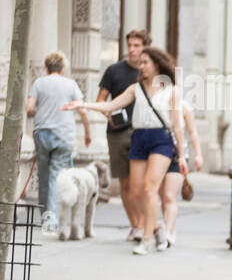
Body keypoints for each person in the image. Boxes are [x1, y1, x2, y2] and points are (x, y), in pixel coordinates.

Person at [68, 46, 186, 255]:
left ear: (157, 64)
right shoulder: (136, 88)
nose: (141, 66)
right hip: (139, 137)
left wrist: (182, 155)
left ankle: (147, 238)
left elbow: (177, 125)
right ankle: (155, 226)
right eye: (140, 62)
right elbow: (110, 106)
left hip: (161, 138)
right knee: (135, 190)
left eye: (145, 62)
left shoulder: (171, 90)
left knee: (150, 188)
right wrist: (83, 104)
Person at [26, 51, 89, 234]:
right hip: (64, 135)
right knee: (57, 176)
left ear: (46, 68)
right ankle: (52, 219)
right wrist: (87, 132)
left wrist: (36, 111)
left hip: (42, 134)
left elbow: (30, 108)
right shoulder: (71, 84)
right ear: (63, 68)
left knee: (44, 176)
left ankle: (46, 216)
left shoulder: (39, 83)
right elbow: (82, 110)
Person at [97, 29, 150, 241]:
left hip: (143, 132)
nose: (132, 49)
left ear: (145, 47)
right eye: (130, 45)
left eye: (137, 45)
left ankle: (147, 224)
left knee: (144, 183)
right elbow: (101, 99)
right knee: (125, 184)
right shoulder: (114, 70)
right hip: (117, 132)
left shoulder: (150, 72)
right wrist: (107, 113)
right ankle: (136, 226)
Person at [160, 100, 203, 247]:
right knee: (161, 196)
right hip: (157, 154)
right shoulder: (156, 103)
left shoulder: (184, 107)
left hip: (178, 156)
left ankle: (167, 233)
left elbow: (192, 132)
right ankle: (167, 227)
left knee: (169, 196)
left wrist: (198, 154)